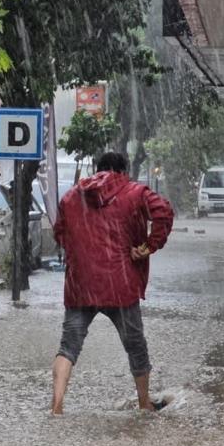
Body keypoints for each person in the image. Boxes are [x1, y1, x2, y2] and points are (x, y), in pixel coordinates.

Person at [51, 152, 175, 415]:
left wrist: (83, 256)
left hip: (80, 284)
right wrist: (148, 247)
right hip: (121, 282)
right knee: (135, 346)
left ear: (98, 169)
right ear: (123, 170)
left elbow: (60, 233)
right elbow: (164, 212)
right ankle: (144, 404)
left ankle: (57, 405)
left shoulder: (72, 196)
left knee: (68, 346)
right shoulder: (135, 192)